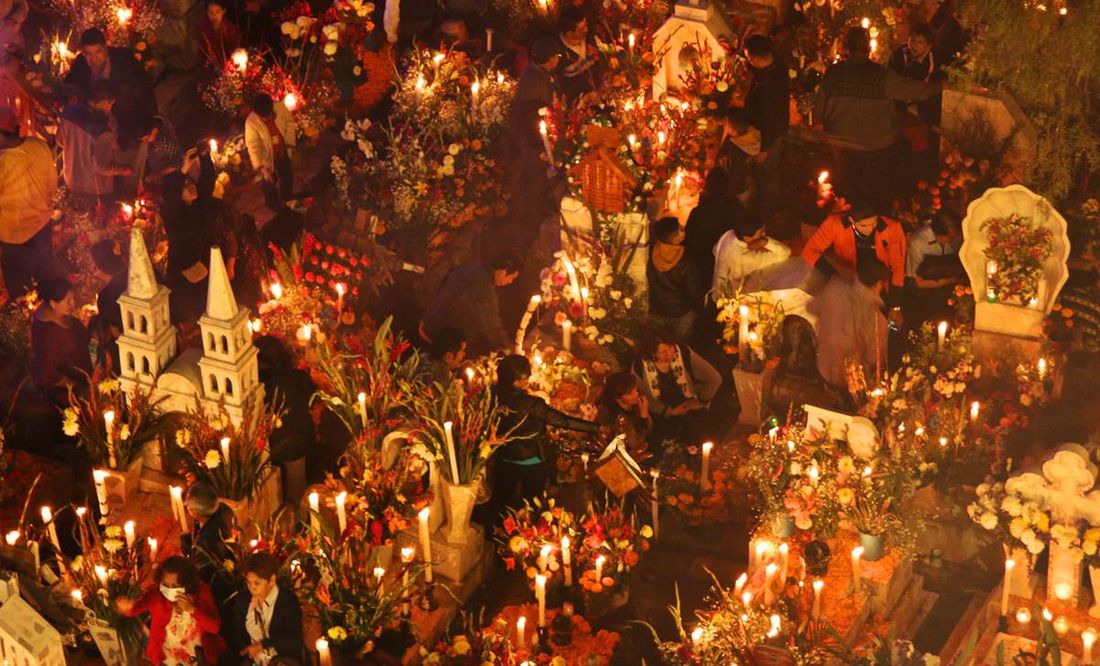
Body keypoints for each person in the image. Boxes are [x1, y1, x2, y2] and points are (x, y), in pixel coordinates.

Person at [813, 27, 941, 199]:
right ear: (869, 48)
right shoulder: (881, 75)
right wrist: (942, 85)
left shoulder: (834, 73)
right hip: (877, 145)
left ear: (845, 47)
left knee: (845, 190)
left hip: (840, 144)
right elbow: (916, 91)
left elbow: (818, 110)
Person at [491, 354, 599, 511]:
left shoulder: (491, 395)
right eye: (525, 377)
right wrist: (595, 428)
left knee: (503, 500)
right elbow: (562, 421)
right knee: (533, 502)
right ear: (517, 381)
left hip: (503, 458)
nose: (528, 379)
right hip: (531, 460)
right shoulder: (531, 404)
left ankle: (497, 530)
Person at [117, 557, 224, 666]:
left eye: (175, 586)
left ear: (186, 583)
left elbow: (214, 627)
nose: (169, 589)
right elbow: (135, 608)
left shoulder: (202, 591)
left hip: (198, 658)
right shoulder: (156, 594)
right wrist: (127, 608)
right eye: (165, 585)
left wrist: (192, 609)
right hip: (167, 659)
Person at [801, 201, 907, 306]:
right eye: (864, 226)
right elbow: (810, 251)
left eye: (874, 223)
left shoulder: (892, 228)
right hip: (849, 282)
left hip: (879, 283)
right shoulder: (835, 224)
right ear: (851, 220)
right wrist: (834, 274)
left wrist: (895, 300)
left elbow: (898, 266)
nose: (870, 229)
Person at [161, 173, 234, 324]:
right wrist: (181, 172)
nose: (192, 187)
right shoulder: (174, 216)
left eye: (191, 183)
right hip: (184, 273)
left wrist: (204, 155)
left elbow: (206, 184)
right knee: (189, 311)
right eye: (185, 186)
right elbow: (171, 203)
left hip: (202, 265)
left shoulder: (198, 207)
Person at [0, 106, 57, 298]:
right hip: (42, 225)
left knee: (20, 289)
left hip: (14, 237)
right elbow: (52, 184)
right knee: (46, 274)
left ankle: (28, 320)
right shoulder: (39, 146)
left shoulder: (2, 162)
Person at [808, 259, 890, 389]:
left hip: (824, 366)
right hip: (849, 381)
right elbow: (875, 358)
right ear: (879, 284)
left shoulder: (835, 286)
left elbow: (811, 308)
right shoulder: (876, 319)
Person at [630, 330, 722, 442]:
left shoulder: (683, 352)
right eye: (663, 352)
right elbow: (643, 399)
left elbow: (714, 377)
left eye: (671, 348)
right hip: (662, 413)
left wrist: (701, 401)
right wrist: (669, 411)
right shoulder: (639, 368)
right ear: (653, 353)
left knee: (702, 432)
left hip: (689, 405)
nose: (669, 354)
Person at [421, 254, 520, 356]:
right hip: (441, 338)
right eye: (511, 277)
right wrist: (511, 351)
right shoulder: (483, 287)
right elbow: (491, 325)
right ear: (501, 273)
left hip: (428, 324)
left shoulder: (472, 267)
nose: (510, 282)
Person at [64, 28, 156, 130]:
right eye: (88, 54)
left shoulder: (124, 59)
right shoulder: (81, 63)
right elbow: (71, 85)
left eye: (98, 52)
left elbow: (144, 87)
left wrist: (153, 120)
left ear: (105, 48)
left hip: (126, 119)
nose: (93, 58)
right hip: (97, 124)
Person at [57, 80, 131, 201]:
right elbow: (101, 166)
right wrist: (123, 170)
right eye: (111, 104)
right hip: (95, 188)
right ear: (105, 102)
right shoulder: (105, 127)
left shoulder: (69, 112)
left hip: (71, 179)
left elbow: (60, 141)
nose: (111, 108)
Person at [232, 552, 304, 665]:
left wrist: (264, 644)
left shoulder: (286, 600)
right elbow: (239, 634)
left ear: (272, 580)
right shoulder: (244, 601)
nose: (252, 588)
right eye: (249, 583)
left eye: (257, 583)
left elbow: (294, 640)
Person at [743, 35, 788, 202]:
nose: (747, 60)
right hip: (770, 132)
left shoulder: (770, 87)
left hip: (769, 137)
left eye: (748, 57)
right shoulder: (775, 62)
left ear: (755, 58)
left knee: (768, 173)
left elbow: (771, 119)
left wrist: (764, 148)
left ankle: (767, 206)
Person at [30, 278, 91, 397]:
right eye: (68, 301)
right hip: (71, 389)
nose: (72, 303)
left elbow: (86, 341)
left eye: (72, 299)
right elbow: (49, 374)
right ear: (53, 303)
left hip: (88, 375)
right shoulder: (49, 335)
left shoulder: (66, 318)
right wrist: (79, 387)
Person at [647, 217, 704, 342]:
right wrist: (698, 310)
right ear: (675, 237)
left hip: (657, 310)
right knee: (679, 349)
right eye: (680, 230)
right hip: (681, 313)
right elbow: (694, 290)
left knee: (659, 348)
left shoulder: (650, 253)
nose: (683, 232)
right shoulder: (686, 261)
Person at [683, 167, 740, 289]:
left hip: (702, 266)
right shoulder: (737, 210)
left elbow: (688, 241)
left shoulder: (698, 212)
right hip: (729, 266)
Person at [712, 213, 791, 298]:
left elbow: (714, 250)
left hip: (716, 292)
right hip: (731, 301)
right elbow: (784, 254)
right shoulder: (746, 258)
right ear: (747, 238)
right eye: (760, 232)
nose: (764, 234)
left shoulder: (728, 235)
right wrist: (765, 242)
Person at [244, 93, 296, 206]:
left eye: (269, 115)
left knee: (286, 174)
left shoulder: (281, 107)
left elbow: (290, 122)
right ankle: (271, 202)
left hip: (283, 150)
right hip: (268, 156)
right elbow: (253, 146)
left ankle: (287, 196)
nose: (267, 118)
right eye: (264, 117)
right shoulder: (251, 123)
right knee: (269, 181)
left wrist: (290, 142)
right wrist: (262, 168)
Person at [598, 371, 653, 460]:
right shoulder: (617, 418)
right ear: (618, 397)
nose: (636, 394)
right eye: (630, 393)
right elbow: (636, 443)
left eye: (635, 389)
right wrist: (644, 415)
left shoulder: (634, 404)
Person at [556, 7, 600, 102]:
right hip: (582, 101)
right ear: (569, 33)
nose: (586, 29)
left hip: (601, 92)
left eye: (586, 25)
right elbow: (563, 87)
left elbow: (599, 60)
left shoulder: (589, 38)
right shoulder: (558, 54)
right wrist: (584, 97)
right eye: (582, 29)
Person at [198, 0, 241, 69]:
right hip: (210, 65)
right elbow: (201, 49)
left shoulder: (230, 29)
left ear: (223, 11)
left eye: (218, 12)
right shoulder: (204, 28)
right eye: (211, 13)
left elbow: (235, 48)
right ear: (207, 12)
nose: (214, 16)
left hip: (228, 65)